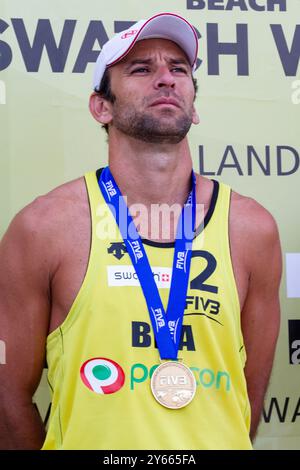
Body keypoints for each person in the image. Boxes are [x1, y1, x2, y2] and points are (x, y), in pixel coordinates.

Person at [0, 12, 282, 450]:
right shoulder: (43, 228)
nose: (166, 79)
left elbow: (247, 397)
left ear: (193, 103)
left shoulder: (252, 228)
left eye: (179, 69)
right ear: (102, 106)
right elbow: (7, 399)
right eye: (141, 69)